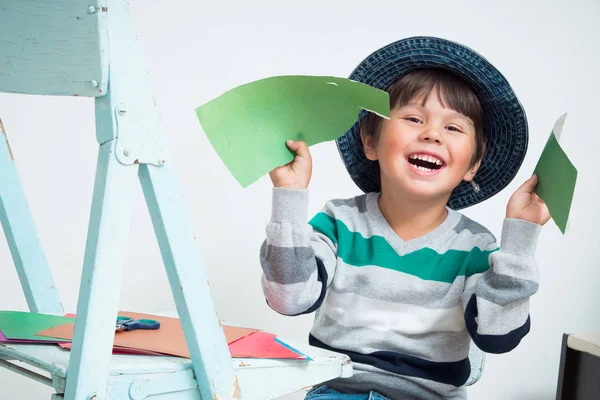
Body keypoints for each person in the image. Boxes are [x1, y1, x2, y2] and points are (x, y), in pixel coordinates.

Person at [259, 36, 550, 399]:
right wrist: (289, 197)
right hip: (337, 392)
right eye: (414, 118)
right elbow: (289, 300)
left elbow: (498, 335)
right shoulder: (339, 222)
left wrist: (520, 240)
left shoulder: (476, 248)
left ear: (472, 165)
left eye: (454, 128)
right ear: (370, 140)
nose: (431, 134)